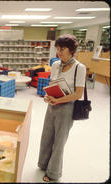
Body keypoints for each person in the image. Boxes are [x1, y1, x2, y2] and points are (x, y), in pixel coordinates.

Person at [38, 34, 86, 182]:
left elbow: (78, 94)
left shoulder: (80, 68)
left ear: (72, 50)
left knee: (59, 141)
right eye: (57, 48)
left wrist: (59, 100)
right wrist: (47, 96)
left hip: (67, 108)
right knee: (46, 136)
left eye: (62, 49)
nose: (59, 52)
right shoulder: (55, 64)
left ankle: (53, 172)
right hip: (52, 105)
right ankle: (43, 164)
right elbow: (53, 84)